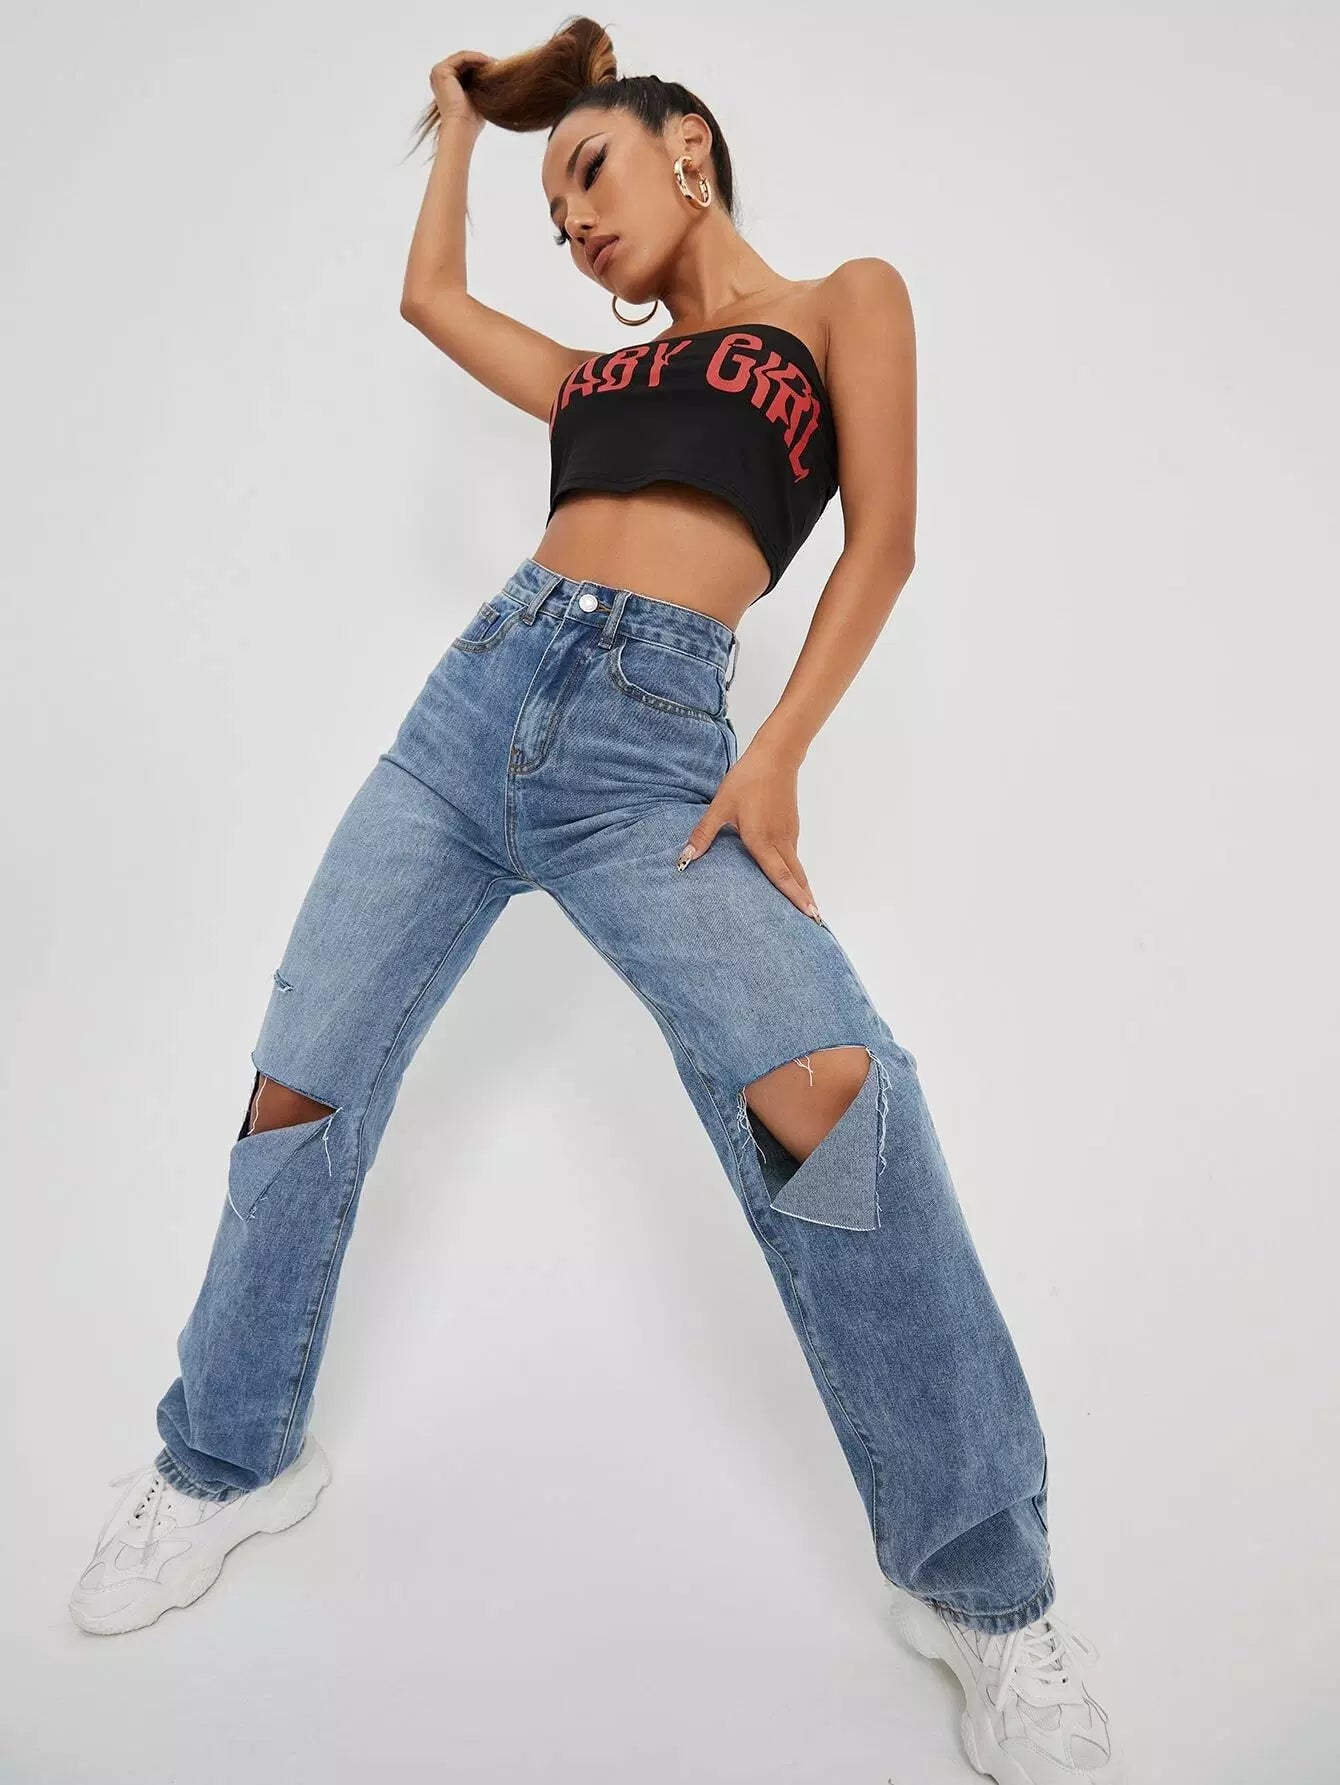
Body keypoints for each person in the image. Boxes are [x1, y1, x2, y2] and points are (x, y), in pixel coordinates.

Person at [68, 17, 1122, 1782]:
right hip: (467, 716)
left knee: (835, 1100)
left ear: (686, 144)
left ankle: (988, 1590)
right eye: (558, 216)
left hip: (654, 754)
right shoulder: (591, 378)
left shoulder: (843, 302)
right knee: (300, 1076)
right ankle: (223, 1456)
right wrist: (462, 119)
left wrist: (776, 750)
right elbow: (429, 299)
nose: (575, 227)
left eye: (591, 174)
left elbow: (883, 540)